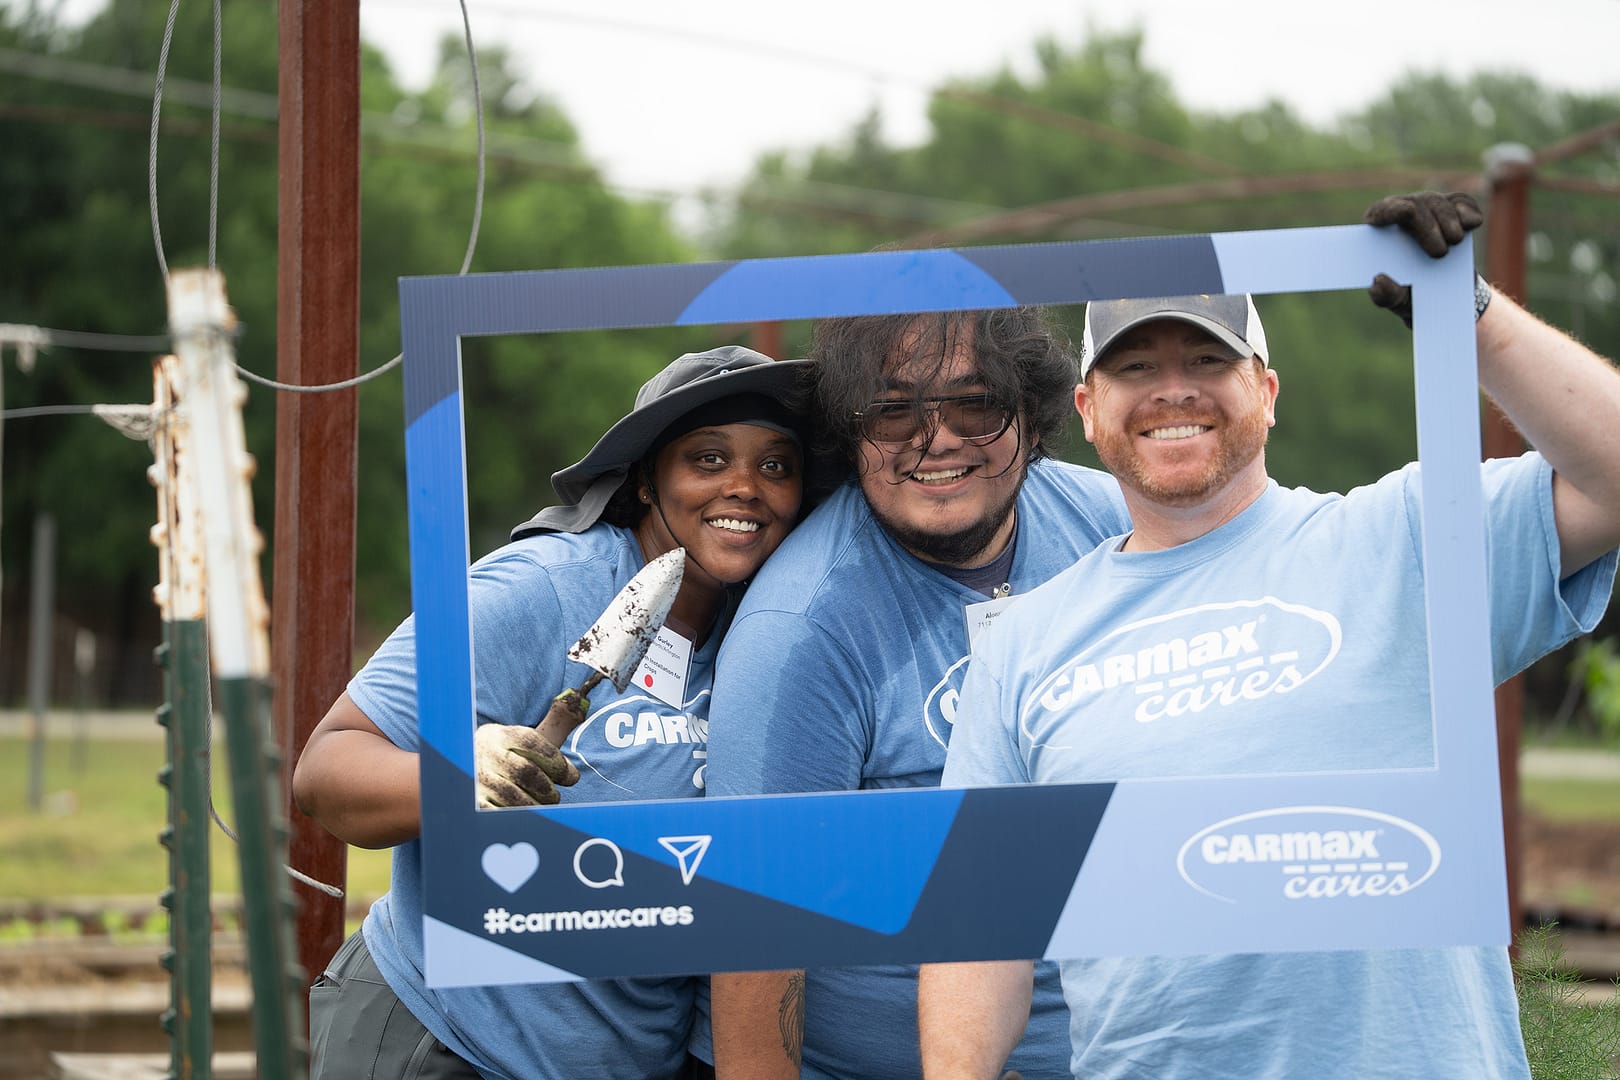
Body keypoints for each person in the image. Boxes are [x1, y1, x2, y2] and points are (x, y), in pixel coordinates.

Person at [918, 192, 1620, 1079]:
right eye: (1137, 366)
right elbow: (979, 924)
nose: (1174, 387)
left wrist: (1473, 318)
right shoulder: (1024, 643)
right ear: (1090, 409)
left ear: (1267, 390)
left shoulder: (1406, 537)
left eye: (1209, 356)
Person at [291, 345, 814, 1080]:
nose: (745, 487)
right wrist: (455, 776)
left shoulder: (769, 632)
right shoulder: (542, 590)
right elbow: (325, 772)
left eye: (776, 466)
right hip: (440, 1040)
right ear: (644, 481)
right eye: (707, 459)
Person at [698, 309, 1132, 1079]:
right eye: (894, 413)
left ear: (1031, 419)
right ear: (851, 433)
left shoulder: (1110, 526)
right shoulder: (798, 630)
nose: (936, 440)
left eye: (975, 404)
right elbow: (757, 938)